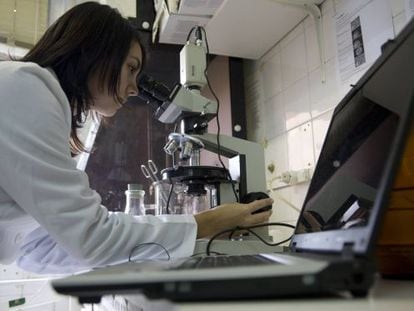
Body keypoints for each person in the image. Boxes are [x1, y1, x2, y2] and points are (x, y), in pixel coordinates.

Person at [0, 2, 272, 274]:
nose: (133, 89)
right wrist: (207, 223)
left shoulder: (33, 97)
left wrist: (183, 235)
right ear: (93, 51)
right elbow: (91, 236)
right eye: (131, 69)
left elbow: (36, 249)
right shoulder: (27, 90)